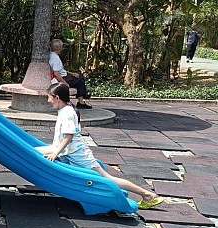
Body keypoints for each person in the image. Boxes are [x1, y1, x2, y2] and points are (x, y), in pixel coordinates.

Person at [37, 82, 163, 210]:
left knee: (107, 179)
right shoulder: (65, 110)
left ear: (57, 97)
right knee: (35, 152)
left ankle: (147, 195)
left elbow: (68, 137)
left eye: (49, 97)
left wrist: (55, 153)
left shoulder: (67, 113)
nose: (48, 100)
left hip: (79, 156)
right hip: (70, 152)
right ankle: (147, 195)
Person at [49, 38, 92, 109]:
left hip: (65, 75)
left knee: (79, 77)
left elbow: (60, 70)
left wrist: (72, 73)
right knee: (81, 79)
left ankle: (81, 101)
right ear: (59, 48)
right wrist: (65, 83)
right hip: (63, 78)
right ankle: (81, 101)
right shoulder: (55, 59)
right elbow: (56, 73)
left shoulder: (51, 55)